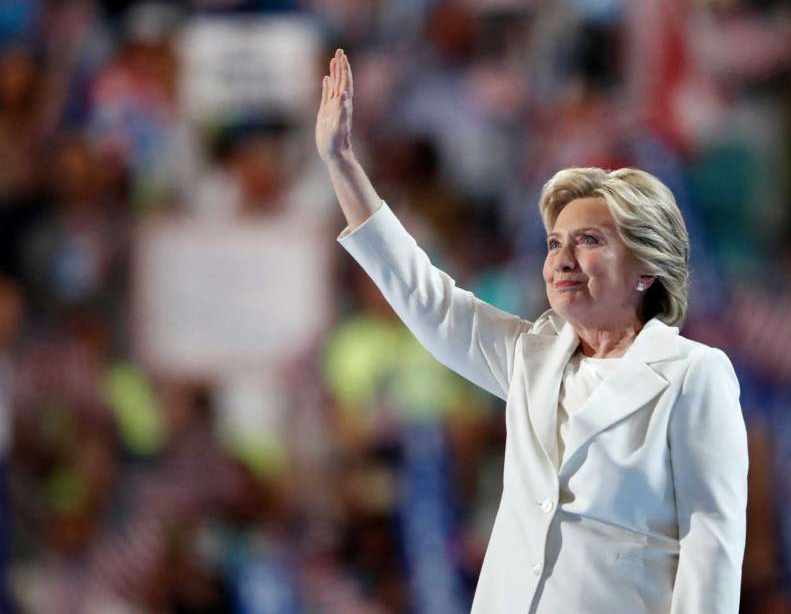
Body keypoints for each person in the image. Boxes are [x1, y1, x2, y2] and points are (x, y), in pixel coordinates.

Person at [316, 49, 748, 614]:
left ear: (647, 267)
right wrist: (342, 164)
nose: (561, 260)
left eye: (589, 241)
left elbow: (711, 552)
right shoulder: (532, 357)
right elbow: (428, 300)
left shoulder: (695, 375)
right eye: (554, 244)